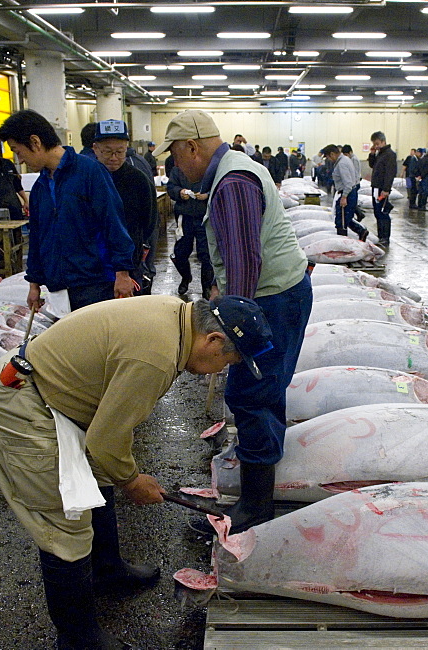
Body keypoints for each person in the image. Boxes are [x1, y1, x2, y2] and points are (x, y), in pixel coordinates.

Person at [0, 294, 273, 648]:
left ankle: (106, 569)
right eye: (228, 360)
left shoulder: (177, 316)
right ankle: (78, 640)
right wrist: (132, 480)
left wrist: (120, 471)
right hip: (21, 404)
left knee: (98, 475)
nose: (222, 370)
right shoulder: (156, 357)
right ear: (213, 340)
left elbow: (107, 439)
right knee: (64, 522)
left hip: (51, 393)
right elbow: (105, 439)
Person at [155, 109, 312, 535]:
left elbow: (246, 259)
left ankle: (255, 507)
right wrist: (221, 292)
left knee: (252, 392)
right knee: (261, 390)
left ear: (192, 145)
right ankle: (257, 493)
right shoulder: (232, 173)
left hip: (272, 300)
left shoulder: (233, 182)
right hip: (276, 295)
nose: (174, 163)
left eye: (174, 153)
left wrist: (231, 326)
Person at [0, 110, 134, 312]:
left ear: (35, 142)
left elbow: (113, 222)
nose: (20, 160)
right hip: (59, 288)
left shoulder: (90, 172)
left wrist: (122, 273)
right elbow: (37, 238)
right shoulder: (40, 188)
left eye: (18, 151)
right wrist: (34, 284)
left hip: (94, 284)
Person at [92, 119, 158, 296]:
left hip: (129, 266)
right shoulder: (88, 180)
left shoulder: (139, 180)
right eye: (107, 152)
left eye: (119, 152)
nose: (114, 158)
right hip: (93, 268)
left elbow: (149, 223)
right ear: (95, 149)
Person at [166, 165, 214, 296]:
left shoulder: (208, 167)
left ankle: (207, 287)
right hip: (184, 217)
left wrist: (207, 195)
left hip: (204, 217)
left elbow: (218, 187)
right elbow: (170, 187)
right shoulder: (178, 168)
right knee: (180, 253)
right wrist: (179, 192)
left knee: (206, 254)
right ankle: (186, 278)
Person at [321, 143, 368, 242]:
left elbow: (348, 183)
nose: (329, 160)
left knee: (341, 222)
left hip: (347, 193)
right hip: (350, 192)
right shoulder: (345, 160)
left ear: (333, 154)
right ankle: (361, 231)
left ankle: (343, 243)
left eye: (328, 157)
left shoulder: (342, 163)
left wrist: (344, 197)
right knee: (346, 218)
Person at [368, 131, 397, 246]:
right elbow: (372, 165)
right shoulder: (380, 153)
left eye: (377, 143)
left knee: (383, 212)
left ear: (384, 141)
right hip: (376, 187)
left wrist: (386, 189)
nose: (376, 146)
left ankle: (385, 237)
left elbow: (390, 173)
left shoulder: (390, 154)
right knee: (377, 212)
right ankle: (380, 236)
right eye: (374, 144)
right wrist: (372, 154)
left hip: (382, 189)